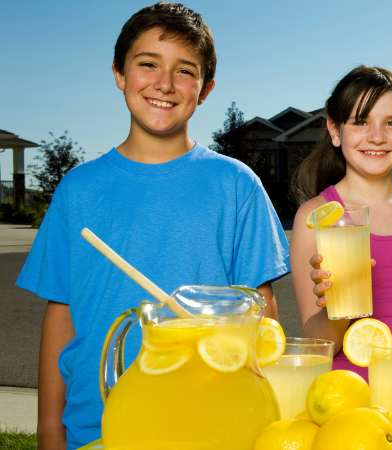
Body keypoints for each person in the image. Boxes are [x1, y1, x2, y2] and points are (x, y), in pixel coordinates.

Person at [16, 3, 290, 449]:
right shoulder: (78, 189)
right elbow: (61, 314)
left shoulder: (237, 185)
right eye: (147, 64)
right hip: (96, 425)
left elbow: (260, 316)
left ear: (205, 90)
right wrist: (50, 428)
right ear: (119, 73)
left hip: (213, 424)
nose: (164, 83)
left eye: (185, 71)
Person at [289, 65, 392, 407]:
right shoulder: (316, 218)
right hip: (349, 408)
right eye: (360, 121)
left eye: (391, 123)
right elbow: (319, 344)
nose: (377, 136)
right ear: (335, 131)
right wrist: (340, 303)